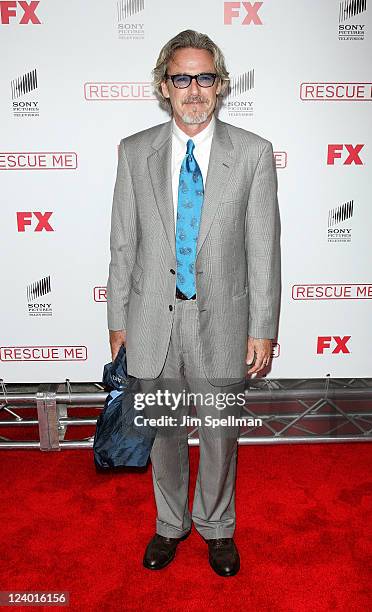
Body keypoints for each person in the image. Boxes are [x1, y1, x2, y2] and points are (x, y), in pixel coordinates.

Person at [106, 29, 281, 577]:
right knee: (162, 431)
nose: (193, 89)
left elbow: (264, 249)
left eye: (204, 77)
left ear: (221, 84)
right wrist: (117, 322)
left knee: (219, 432)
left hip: (225, 319)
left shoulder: (253, 154)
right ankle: (170, 523)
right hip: (152, 318)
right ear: (165, 85)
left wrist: (263, 326)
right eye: (182, 77)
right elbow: (123, 244)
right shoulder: (135, 152)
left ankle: (217, 527)